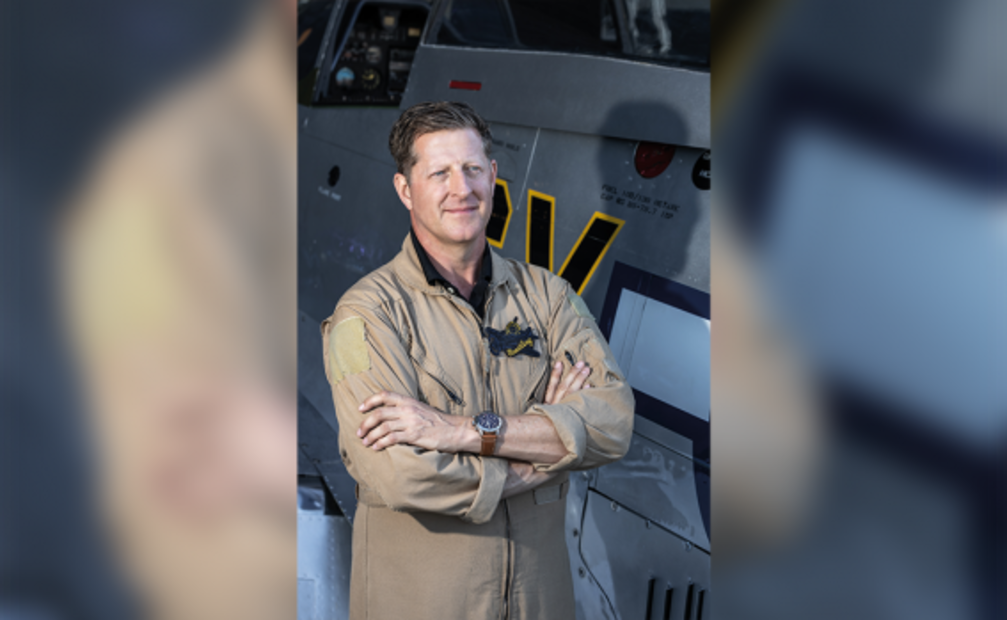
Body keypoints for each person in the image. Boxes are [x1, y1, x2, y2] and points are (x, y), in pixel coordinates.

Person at [321, 101, 634, 619]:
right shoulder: (367, 315)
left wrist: (459, 431)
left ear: (492, 175)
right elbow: (400, 472)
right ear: (405, 189)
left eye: (471, 169)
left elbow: (614, 422)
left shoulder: (548, 297)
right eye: (439, 173)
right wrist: (539, 461)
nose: (461, 189)